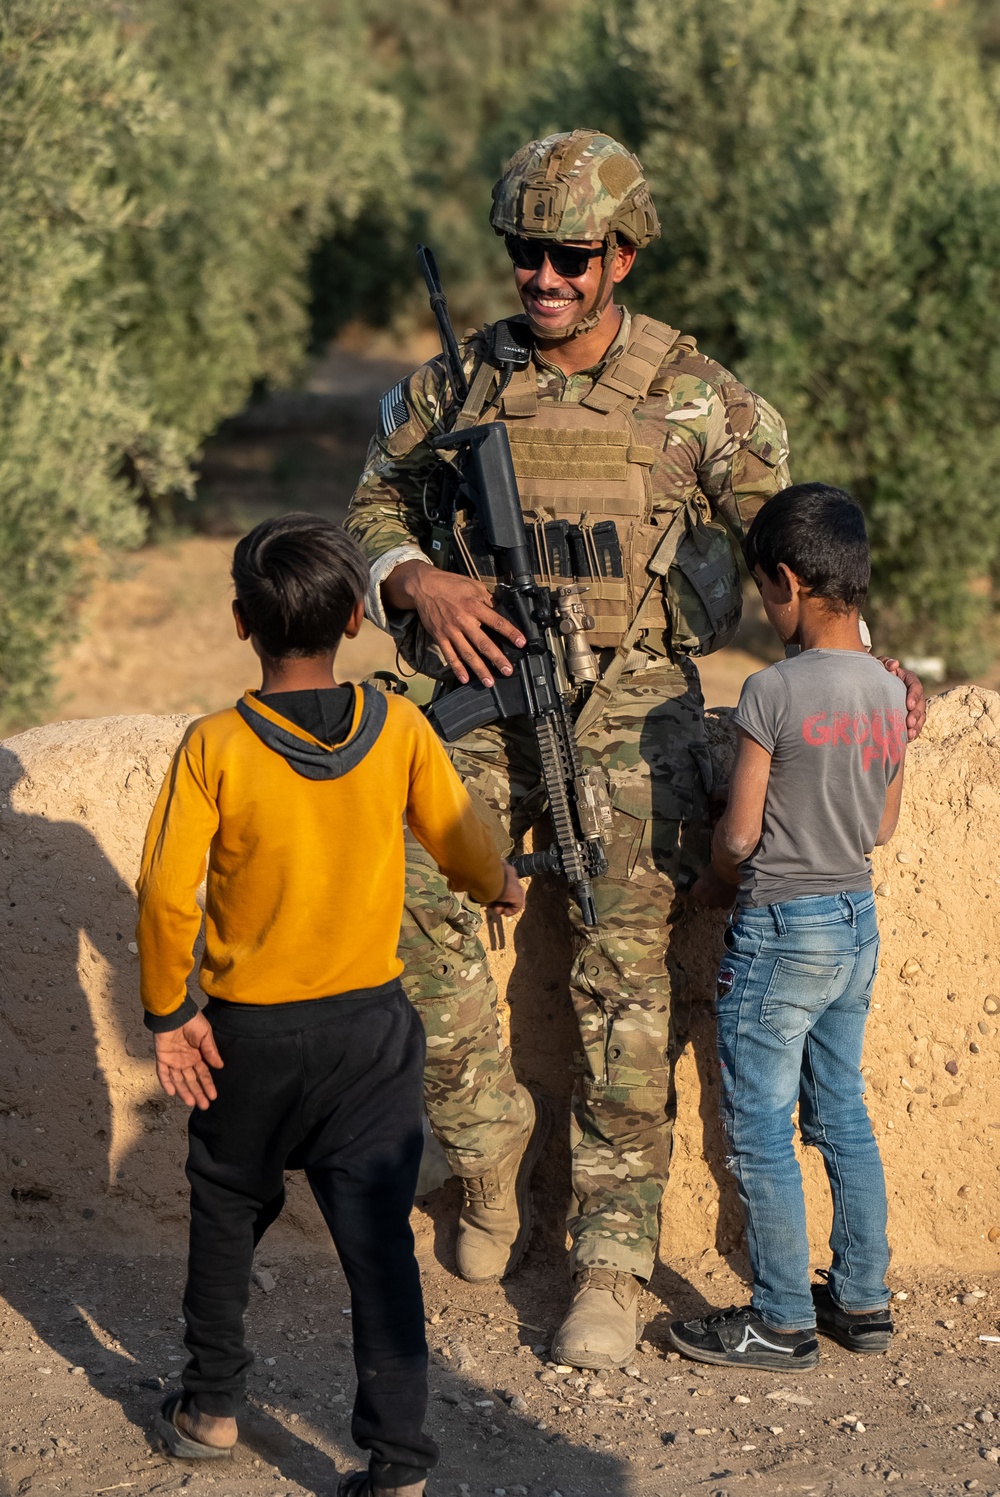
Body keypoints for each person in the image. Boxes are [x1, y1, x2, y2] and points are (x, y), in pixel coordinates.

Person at [345, 128, 925, 1369]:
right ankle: (486, 1138)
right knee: (394, 870)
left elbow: (794, 537)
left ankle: (609, 1262)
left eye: (567, 256)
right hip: (485, 683)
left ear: (618, 255)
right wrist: (419, 580)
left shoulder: (694, 393)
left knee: (625, 979)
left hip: (631, 713)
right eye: (523, 255)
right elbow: (371, 500)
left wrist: (861, 660)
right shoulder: (462, 377)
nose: (541, 279)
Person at [135, 514, 523, 1497]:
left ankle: (213, 1407)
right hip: (367, 1032)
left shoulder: (213, 747)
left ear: (238, 622)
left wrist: (168, 1015)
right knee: (377, 1243)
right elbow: (461, 838)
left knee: (226, 1208)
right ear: (357, 617)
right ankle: (396, 1461)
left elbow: (167, 896)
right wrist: (500, 885)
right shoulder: (396, 727)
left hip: (246, 1037)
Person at [670, 484, 904, 1370]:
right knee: (841, 1108)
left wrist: (712, 885)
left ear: (787, 580)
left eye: (767, 594)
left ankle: (777, 1318)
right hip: (856, 918)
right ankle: (862, 1299)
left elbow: (739, 832)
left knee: (761, 1124)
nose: (768, 612)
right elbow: (882, 827)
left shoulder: (771, 691)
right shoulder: (886, 689)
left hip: (780, 926)